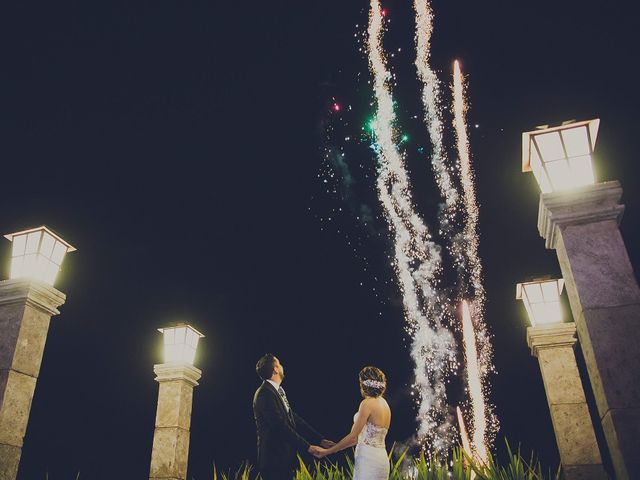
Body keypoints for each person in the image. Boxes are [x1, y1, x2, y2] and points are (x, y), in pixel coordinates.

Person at [253, 353, 335, 480]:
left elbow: (293, 418)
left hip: (284, 459)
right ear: (275, 369)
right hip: (273, 461)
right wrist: (308, 447)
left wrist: (319, 439)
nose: (281, 366)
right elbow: (279, 426)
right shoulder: (264, 393)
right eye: (279, 364)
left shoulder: (277, 391)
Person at [312, 366, 391, 480]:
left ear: (364, 384)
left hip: (368, 461)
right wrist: (338, 446)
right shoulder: (385, 404)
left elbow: (353, 437)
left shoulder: (367, 404)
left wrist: (327, 452)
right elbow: (361, 438)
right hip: (382, 460)